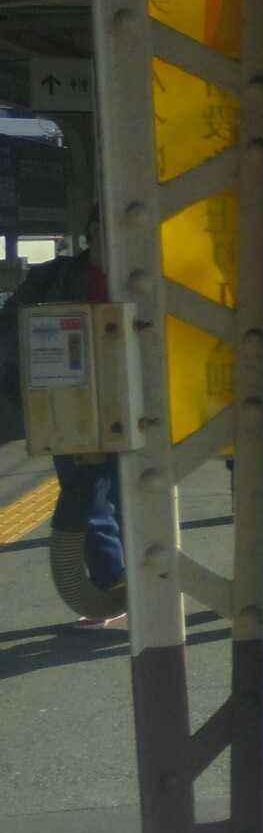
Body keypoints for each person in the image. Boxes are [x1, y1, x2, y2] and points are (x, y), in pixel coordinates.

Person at [4, 210, 125, 625]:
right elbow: (12, 324)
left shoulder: (149, 277)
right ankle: (110, 589)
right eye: (101, 228)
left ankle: (140, 589)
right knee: (85, 498)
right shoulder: (54, 275)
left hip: (133, 402)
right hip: (69, 402)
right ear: (91, 232)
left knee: (136, 497)